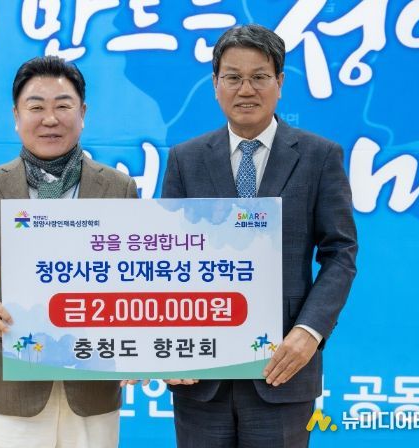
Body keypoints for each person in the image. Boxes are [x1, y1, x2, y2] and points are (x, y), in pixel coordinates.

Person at [162, 24, 358, 447]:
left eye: (259, 77)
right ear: (215, 84)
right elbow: (166, 260)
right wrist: (169, 345)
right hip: (200, 373)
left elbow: (340, 252)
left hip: (283, 367)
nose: (246, 89)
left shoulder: (320, 156)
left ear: (280, 83)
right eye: (233, 77)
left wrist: (310, 331)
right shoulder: (185, 159)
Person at [0, 56, 138, 448]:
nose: (50, 119)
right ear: (16, 115)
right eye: (36, 107)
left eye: (63, 106)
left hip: (94, 385)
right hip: (14, 387)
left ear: (83, 113)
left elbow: (138, 276)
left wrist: (139, 344)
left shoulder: (118, 188)